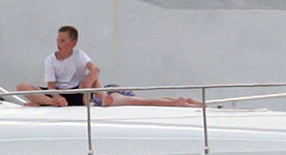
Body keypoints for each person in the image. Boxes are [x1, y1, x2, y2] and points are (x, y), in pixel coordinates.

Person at [17, 26, 202, 108]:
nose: (58, 43)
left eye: (63, 40)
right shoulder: (51, 59)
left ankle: (178, 102)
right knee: (21, 86)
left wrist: (88, 87)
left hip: (97, 95)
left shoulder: (79, 57)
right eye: (58, 40)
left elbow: (95, 71)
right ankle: (180, 101)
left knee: (147, 102)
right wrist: (53, 99)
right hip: (72, 95)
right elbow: (50, 86)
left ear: (72, 43)